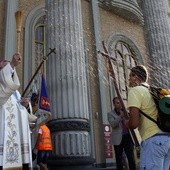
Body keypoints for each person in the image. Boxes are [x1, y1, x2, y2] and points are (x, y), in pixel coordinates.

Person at [126, 65, 170, 170]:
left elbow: (134, 124)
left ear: (135, 76)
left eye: (130, 76)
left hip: (153, 142)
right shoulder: (155, 91)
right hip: (167, 140)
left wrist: (127, 123)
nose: (129, 79)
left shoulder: (135, 91)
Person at [0, 53, 32, 170]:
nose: (6, 63)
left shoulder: (16, 92)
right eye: (4, 63)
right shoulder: (2, 87)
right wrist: (12, 65)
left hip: (18, 137)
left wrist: (26, 105)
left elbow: (21, 109)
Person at [107, 97, 136, 170]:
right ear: (114, 104)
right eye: (117, 103)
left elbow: (132, 122)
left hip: (128, 137)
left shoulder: (126, 112)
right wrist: (120, 116)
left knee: (131, 158)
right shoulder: (110, 114)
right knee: (119, 159)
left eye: (120, 102)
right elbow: (113, 124)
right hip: (118, 139)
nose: (119, 104)